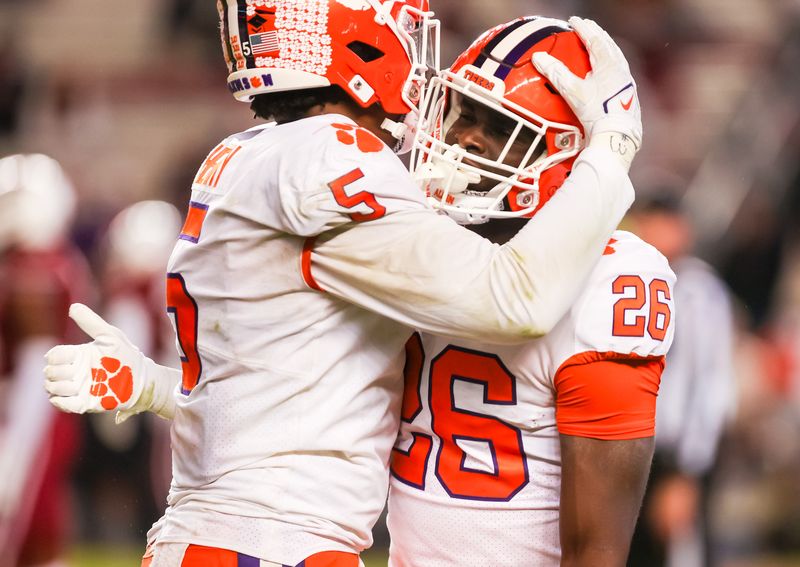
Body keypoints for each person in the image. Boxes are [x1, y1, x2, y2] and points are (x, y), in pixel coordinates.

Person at [43, 1, 643, 565]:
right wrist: (611, 151)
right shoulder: (331, 155)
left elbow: (277, 399)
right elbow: (515, 300)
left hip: (222, 540)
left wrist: (153, 388)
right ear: (355, 39)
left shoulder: (245, 152)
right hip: (272, 547)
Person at [387, 16, 676, 567]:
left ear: (570, 154)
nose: (463, 138)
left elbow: (596, 551)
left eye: (498, 125)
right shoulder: (418, 238)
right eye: (461, 114)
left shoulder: (612, 278)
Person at [626, 193, 735, 567]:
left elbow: (709, 383)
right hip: (634, 446)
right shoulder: (631, 278)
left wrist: (686, 471)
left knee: (679, 553)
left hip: (675, 452)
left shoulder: (697, 290)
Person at [0, 153, 92, 567]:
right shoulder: (54, 260)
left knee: (21, 520)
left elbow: (34, 360)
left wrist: (17, 444)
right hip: (39, 406)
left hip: (31, 407)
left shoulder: (36, 266)